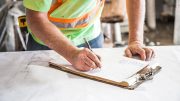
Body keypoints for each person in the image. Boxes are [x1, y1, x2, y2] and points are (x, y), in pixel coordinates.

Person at [23, 0, 155, 71]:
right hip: (47, 43)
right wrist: (71, 53)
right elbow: (35, 18)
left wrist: (136, 41)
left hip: (91, 37)